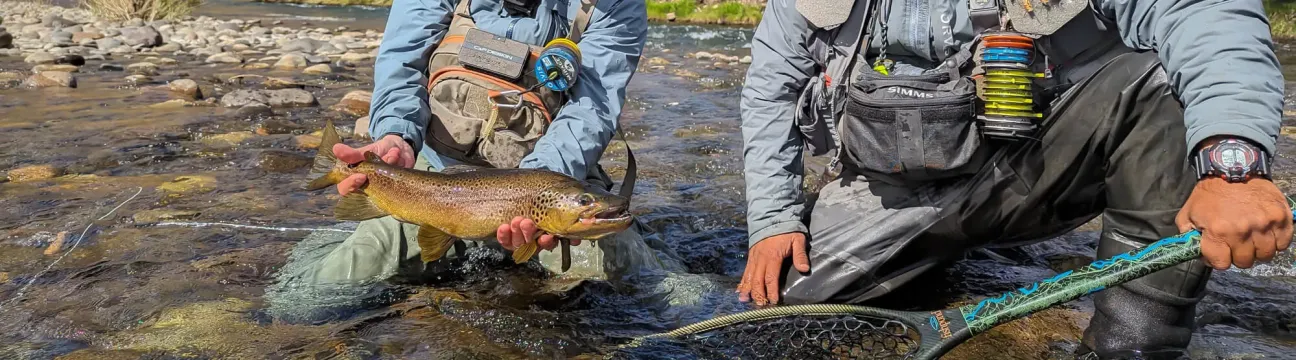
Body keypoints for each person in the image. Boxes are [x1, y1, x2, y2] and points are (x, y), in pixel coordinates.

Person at [737, 0, 1291, 358]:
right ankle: (932, 260)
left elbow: (1201, 12)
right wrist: (773, 221)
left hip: (1030, 173)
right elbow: (769, 87)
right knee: (782, 321)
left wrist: (1232, 165)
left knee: (1158, 83)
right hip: (884, 200)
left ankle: (1135, 339)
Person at [265, 0, 687, 324]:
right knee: (306, 303)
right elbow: (402, 67)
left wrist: (533, 188)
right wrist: (396, 137)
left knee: (657, 295)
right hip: (433, 184)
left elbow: (590, 110)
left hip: (555, 181)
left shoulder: (614, 4)